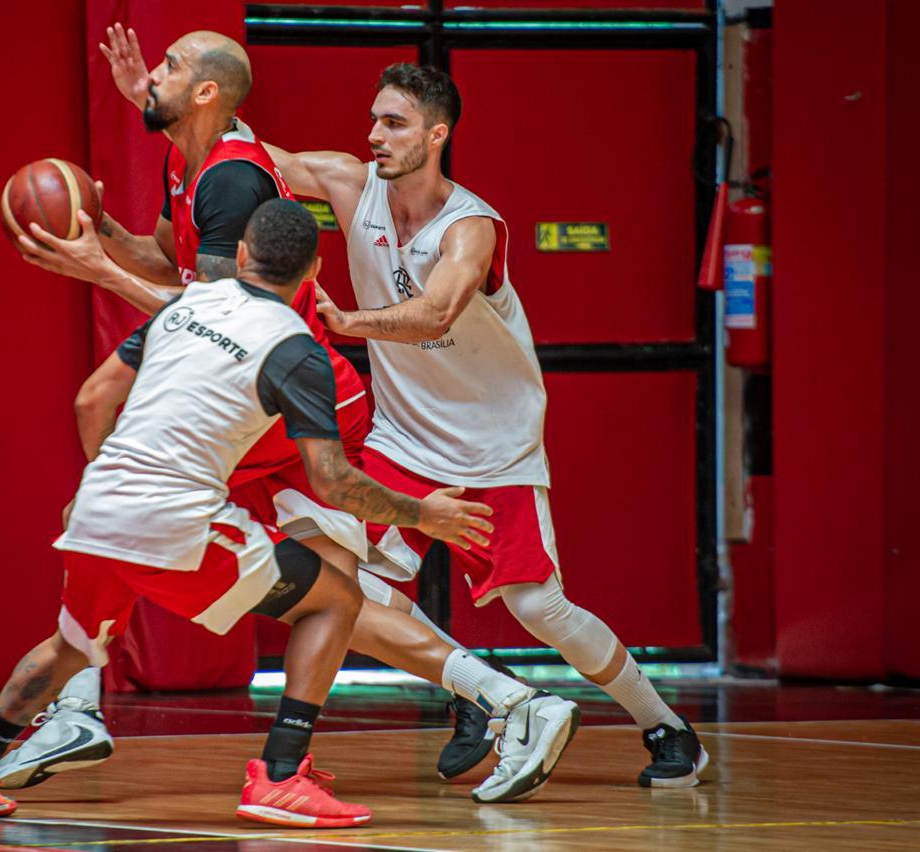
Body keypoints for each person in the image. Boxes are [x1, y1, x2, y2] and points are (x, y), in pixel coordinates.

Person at [2, 26, 563, 797]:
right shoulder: (184, 159)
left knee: (159, 528)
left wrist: (98, 270)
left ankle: (500, 700)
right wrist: (97, 235)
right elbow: (168, 264)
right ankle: (498, 696)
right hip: (255, 393)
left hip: (289, 394)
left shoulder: (234, 182)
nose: (148, 76)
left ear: (203, 94)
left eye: (167, 68)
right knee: (322, 588)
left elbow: (212, 319)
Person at [0, 200, 507, 826]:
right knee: (335, 599)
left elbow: (93, 398)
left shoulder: (185, 306)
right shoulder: (298, 350)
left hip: (97, 508)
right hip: (176, 518)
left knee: (72, 644)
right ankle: (281, 775)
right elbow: (332, 482)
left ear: (243, 255)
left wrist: (108, 477)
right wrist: (423, 515)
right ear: (314, 270)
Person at [263, 64, 711, 788]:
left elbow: (436, 312)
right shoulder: (351, 186)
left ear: (438, 134)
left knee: (540, 607)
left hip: (491, 446)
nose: (374, 135)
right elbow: (257, 157)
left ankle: (667, 726)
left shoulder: (469, 227)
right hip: (401, 439)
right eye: (374, 119)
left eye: (395, 123)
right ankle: (477, 689)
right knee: (330, 574)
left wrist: (347, 320)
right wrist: (166, 108)